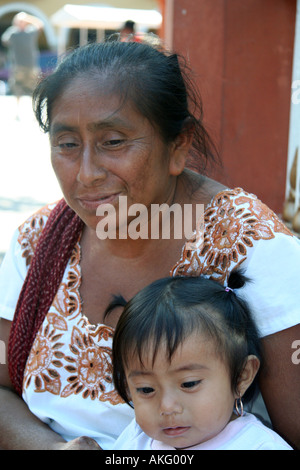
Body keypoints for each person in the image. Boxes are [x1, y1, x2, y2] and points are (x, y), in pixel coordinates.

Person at [0, 38, 299, 450]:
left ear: (179, 145)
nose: (86, 174)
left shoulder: (254, 248)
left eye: (113, 141)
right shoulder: (41, 243)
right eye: (67, 144)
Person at [111, 273, 292, 450]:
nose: (167, 407)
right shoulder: (136, 439)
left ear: (241, 377)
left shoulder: (259, 445)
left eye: (189, 384)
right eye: (146, 389)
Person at [1, 11, 43, 116]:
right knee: (17, 88)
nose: (21, 23)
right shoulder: (13, 33)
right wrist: (15, 25)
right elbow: (4, 40)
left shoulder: (31, 32)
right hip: (18, 66)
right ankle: (17, 112)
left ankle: (33, 112)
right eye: (19, 21)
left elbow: (40, 25)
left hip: (31, 66)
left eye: (23, 21)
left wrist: (28, 18)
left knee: (33, 89)